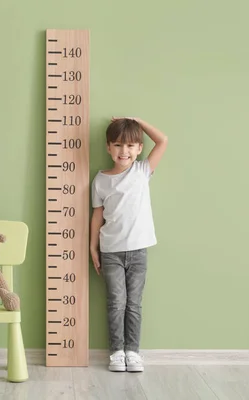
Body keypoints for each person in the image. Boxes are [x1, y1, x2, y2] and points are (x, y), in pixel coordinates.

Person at [90, 117, 168, 372]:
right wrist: (93, 247)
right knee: (116, 303)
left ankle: (133, 352)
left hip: (138, 250)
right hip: (111, 251)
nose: (124, 151)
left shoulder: (142, 171)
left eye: (131, 145)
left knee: (134, 303)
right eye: (118, 145)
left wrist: (138, 122)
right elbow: (97, 215)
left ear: (138, 149)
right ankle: (117, 352)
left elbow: (162, 140)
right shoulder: (100, 180)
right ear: (108, 148)